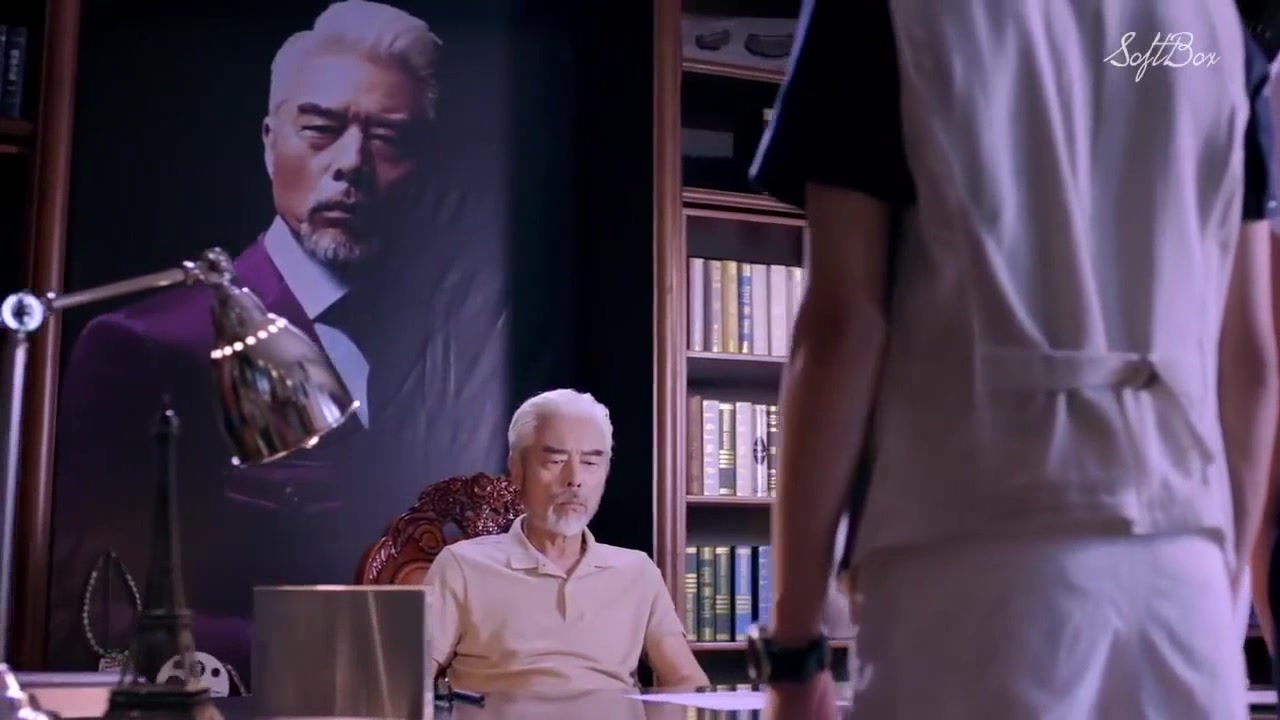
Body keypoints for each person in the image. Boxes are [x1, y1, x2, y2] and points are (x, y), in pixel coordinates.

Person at [747, 1, 1279, 718]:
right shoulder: (1219, 34)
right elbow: (1249, 358)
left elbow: (843, 330)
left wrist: (793, 650)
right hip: (1182, 573)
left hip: (971, 556)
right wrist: (1220, 582)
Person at [48, 0, 440, 681]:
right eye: (320, 128)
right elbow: (96, 612)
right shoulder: (144, 348)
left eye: (390, 139)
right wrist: (332, 649)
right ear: (268, 141)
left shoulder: (436, 352)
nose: (351, 163)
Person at [423, 389, 709, 692]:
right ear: (517, 469)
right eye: (556, 460)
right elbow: (404, 681)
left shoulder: (637, 571)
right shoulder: (462, 566)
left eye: (590, 463)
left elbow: (689, 681)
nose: (575, 479)